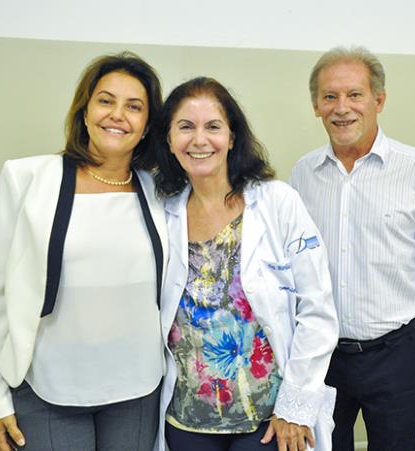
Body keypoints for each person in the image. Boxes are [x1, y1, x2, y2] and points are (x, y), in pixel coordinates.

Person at [0, 52, 167, 451]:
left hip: (137, 389)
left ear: (147, 125)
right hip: (48, 388)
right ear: (84, 111)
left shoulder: (161, 193)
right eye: (105, 101)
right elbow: (1, 296)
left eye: (134, 107)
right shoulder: (27, 179)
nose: (118, 115)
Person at [151, 76, 338, 451]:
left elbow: (317, 311)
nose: (199, 140)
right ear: (169, 140)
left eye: (213, 127)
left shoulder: (277, 203)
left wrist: (295, 408)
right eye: (185, 127)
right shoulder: (159, 212)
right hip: (187, 420)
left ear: (232, 137)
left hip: (269, 421)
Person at [290, 46, 415, 451]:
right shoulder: (303, 174)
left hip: (396, 353)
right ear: (316, 106)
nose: (342, 108)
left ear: (378, 100)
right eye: (330, 97)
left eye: (354, 95)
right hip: (323, 354)